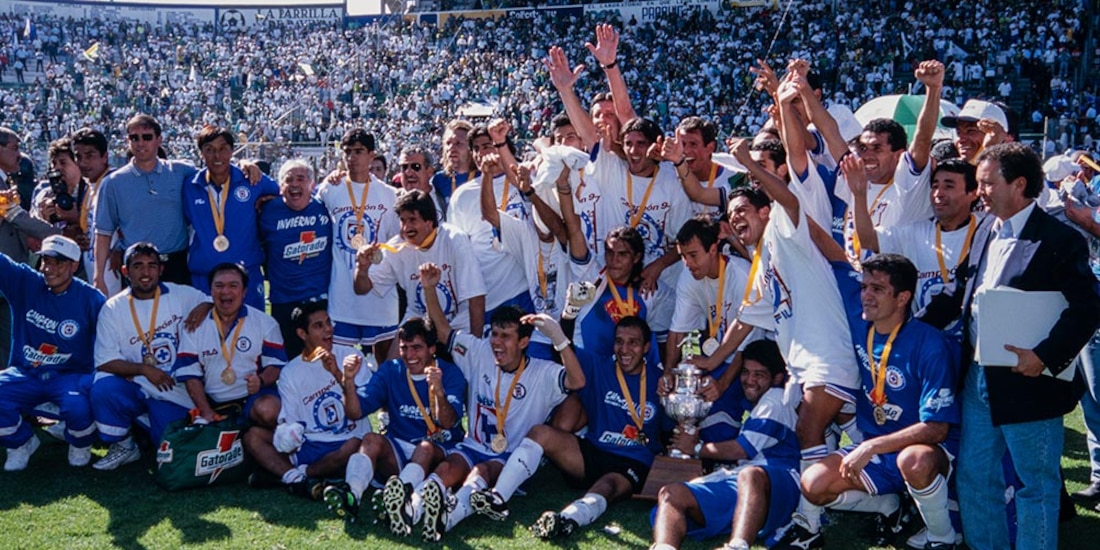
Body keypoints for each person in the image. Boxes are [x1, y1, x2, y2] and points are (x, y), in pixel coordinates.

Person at [920, 143, 1100, 550]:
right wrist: (907, 324)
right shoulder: (986, 229)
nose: (979, 191)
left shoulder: (1059, 238)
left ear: (1019, 184)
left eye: (987, 182)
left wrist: (1045, 356)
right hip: (979, 376)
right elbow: (963, 294)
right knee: (975, 478)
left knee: (1035, 484)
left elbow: (1088, 306)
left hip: (1030, 382)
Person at [777, 251, 961, 550]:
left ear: (902, 298)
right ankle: (888, 504)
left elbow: (937, 428)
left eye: (877, 289)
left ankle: (941, 539)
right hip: (877, 441)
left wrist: (871, 446)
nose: (866, 296)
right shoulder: (859, 319)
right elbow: (830, 256)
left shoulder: (930, 345)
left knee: (912, 461)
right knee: (813, 485)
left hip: (928, 448)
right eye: (864, 287)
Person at [410, 263, 583, 542]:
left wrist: (558, 338)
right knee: (447, 469)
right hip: (473, 444)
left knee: (481, 472)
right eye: (495, 335)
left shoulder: (541, 372)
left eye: (506, 337)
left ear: (525, 342)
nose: (497, 343)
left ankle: (446, 518)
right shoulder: (478, 352)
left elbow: (577, 381)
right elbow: (443, 332)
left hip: (508, 457)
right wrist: (429, 288)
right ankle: (411, 510)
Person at [469, 316, 663, 539]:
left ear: (647, 347)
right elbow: (563, 351)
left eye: (633, 342)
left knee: (608, 485)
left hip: (632, 461)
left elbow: (671, 428)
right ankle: (498, 498)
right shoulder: (599, 365)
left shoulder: (660, 381)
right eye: (619, 341)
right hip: (592, 452)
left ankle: (568, 519)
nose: (625, 349)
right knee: (541, 433)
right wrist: (565, 319)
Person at [650, 339, 800, 550]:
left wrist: (695, 448)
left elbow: (742, 449)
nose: (749, 380)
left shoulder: (776, 398)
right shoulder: (757, 403)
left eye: (759, 374)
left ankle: (737, 545)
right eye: (746, 372)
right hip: (744, 482)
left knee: (751, 475)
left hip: (781, 483)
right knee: (670, 495)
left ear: (776, 378)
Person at [324, 318, 466, 530]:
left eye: (416, 348)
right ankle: (351, 495)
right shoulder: (392, 370)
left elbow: (448, 422)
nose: (409, 356)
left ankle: (400, 500)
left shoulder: (450, 373)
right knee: (370, 440)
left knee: (425, 448)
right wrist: (348, 383)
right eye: (404, 348)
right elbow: (355, 413)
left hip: (438, 451)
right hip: (400, 449)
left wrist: (438, 392)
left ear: (432, 348)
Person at [89, 242, 207, 470]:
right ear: (125, 271)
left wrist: (205, 305)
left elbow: (210, 299)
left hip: (173, 389)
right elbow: (104, 361)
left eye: (152, 266)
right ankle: (124, 444)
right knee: (103, 387)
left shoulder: (182, 294)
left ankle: (144, 423)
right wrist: (143, 369)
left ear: (161, 270)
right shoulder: (113, 308)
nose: (146, 272)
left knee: (169, 446)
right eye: (138, 266)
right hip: (138, 383)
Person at [0, 235, 105, 470]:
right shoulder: (25, 283)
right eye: (46, 261)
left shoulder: (92, 299)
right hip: (26, 373)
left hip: (72, 376)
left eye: (59, 263)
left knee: (78, 408)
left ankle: (80, 443)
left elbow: (107, 344)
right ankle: (21, 443)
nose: (49, 269)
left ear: (74, 265)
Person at [847, 158, 981, 341]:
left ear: (973, 193)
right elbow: (869, 241)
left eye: (948, 186)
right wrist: (859, 195)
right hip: (930, 342)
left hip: (974, 346)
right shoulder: (915, 233)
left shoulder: (988, 230)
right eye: (934, 186)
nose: (938, 193)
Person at [243, 301, 366, 496]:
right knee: (253, 437)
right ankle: (298, 479)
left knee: (355, 445)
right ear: (302, 334)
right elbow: (290, 423)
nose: (328, 330)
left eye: (328, 323)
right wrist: (290, 435)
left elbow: (362, 408)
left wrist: (336, 373)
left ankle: (298, 476)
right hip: (310, 444)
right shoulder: (290, 372)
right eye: (318, 326)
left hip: (348, 440)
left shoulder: (352, 356)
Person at [834, 61, 944, 265]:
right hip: (857, 282)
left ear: (899, 155)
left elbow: (922, 140)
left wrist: (933, 89)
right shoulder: (855, 178)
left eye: (877, 148)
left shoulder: (908, 186)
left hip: (895, 284)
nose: (867, 155)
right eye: (863, 148)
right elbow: (830, 134)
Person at [354, 190, 486, 338]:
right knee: (392, 361)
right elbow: (361, 289)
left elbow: (476, 297)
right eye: (403, 221)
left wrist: (475, 344)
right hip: (418, 325)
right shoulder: (396, 246)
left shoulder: (455, 239)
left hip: (458, 327)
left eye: (412, 220)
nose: (406, 228)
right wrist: (362, 268)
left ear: (429, 222)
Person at [316, 129, 400, 359]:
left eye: (359, 152)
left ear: (372, 155)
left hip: (380, 298)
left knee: (386, 371)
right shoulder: (329, 190)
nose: (352, 158)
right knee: (342, 371)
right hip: (343, 300)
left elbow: (396, 245)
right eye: (348, 152)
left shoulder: (390, 195)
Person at [172, 263, 287, 427]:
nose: (225, 291)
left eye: (233, 286)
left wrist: (260, 380)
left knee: (269, 409)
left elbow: (276, 365)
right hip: (212, 401)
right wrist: (206, 410)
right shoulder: (194, 325)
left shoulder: (265, 323)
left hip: (253, 397)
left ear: (244, 291)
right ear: (210, 291)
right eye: (219, 286)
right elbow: (189, 373)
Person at [182, 126, 278, 309]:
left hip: (246, 275)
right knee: (204, 334)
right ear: (201, 153)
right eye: (209, 149)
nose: (217, 156)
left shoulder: (252, 180)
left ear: (232, 151)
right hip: (204, 277)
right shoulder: (189, 186)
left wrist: (270, 200)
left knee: (249, 333)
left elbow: (286, 198)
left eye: (223, 148)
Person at [447, 124, 534, 326]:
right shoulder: (462, 195)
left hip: (523, 290)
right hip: (485, 297)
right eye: (476, 149)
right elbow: (457, 251)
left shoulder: (523, 179)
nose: (481, 153)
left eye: (486, 146)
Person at [258, 159, 332, 359]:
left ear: (312, 184)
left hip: (322, 299)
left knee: (325, 360)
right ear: (280, 186)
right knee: (289, 362)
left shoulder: (327, 206)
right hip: (284, 302)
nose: (295, 184)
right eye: (288, 180)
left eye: (301, 178)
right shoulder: (266, 210)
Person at [0, 128, 60, 369]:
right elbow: (17, 219)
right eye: (14, 148)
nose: (20, 154)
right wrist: (58, 235)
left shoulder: (7, 182)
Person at [32, 137, 91, 280]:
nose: (57, 168)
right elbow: (31, 238)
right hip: (52, 266)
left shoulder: (91, 192)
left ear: (78, 164)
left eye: (63, 163)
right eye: (54, 163)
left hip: (84, 266)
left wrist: (76, 218)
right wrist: (43, 218)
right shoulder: (43, 194)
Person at [71, 128, 121, 296]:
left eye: (90, 155)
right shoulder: (90, 185)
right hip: (94, 269)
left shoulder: (114, 183)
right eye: (78, 157)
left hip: (113, 273)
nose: (83, 162)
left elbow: (133, 221)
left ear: (105, 156)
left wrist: (121, 247)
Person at [941, 99, 1013, 164]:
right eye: (958, 132)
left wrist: (989, 150)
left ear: (999, 135)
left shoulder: (1013, 173)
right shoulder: (948, 170)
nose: (960, 139)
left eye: (970, 131)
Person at [431, 119, 476, 209]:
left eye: (458, 143)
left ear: (471, 147)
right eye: (448, 143)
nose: (451, 148)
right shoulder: (438, 180)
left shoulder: (483, 177)